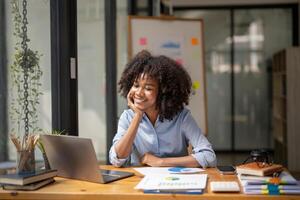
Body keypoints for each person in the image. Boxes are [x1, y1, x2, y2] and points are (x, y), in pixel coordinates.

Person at [109, 50, 217, 168]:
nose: (139, 93)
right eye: (136, 85)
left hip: (175, 182)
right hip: (138, 183)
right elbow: (116, 159)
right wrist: (137, 117)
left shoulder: (182, 117)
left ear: (163, 92)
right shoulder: (128, 117)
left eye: (148, 88)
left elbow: (209, 156)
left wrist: (160, 162)